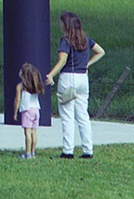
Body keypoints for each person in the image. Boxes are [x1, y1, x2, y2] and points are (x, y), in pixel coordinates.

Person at [46, 10, 105, 159]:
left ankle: (68, 150)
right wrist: (87, 64)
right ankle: (88, 149)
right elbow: (100, 52)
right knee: (82, 115)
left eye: (61, 22)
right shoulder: (85, 39)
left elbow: (62, 61)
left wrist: (51, 75)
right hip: (82, 79)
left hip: (68, 79)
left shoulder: (65, 40)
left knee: (67, 115)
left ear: (65, 25)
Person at [13, 62, 44, 159]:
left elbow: (17, 100)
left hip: (27, 111)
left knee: (27, 133)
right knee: (34, 132)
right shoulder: (35, 86)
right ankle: (33, 152)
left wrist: (15, 112)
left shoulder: (20, 86)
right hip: (36, 110)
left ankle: (27, 153)